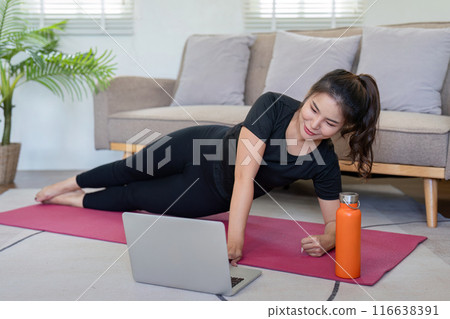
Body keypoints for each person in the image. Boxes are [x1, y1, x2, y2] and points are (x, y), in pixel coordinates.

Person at [35, 69, 380, 266]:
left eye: (330, 123)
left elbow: (336, 220)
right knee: (130, 168)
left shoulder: (324, 162)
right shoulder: (273, 105)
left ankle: (73, 201)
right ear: (308, 96)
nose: (315, 123)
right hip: (197, 145)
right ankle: (69, 183)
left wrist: (329, 239)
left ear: (343, 129)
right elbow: (246, 176)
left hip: (210, 193)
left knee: (134, 197)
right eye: (313, 108)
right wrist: (235, 241)